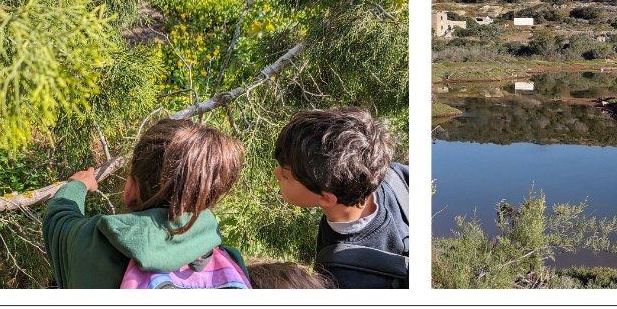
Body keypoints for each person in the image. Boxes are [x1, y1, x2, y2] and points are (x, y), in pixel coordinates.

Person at [42, 119, 250, 289]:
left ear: (131, 189)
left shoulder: (96, 243)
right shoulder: (229, 263)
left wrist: (78, 184)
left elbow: (58, 216)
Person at [273, 107, 409, 288]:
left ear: (327, 199)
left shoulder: (341, 280)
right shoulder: (393, 177)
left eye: (285, 175)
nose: (275, 173)